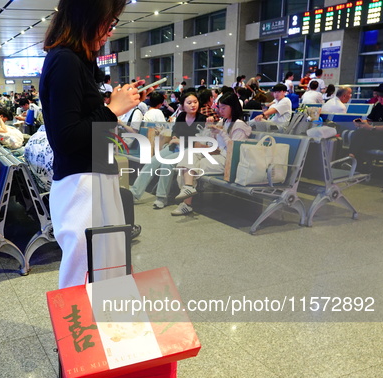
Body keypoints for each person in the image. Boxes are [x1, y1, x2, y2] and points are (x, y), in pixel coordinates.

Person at [40, 0, 154, 288]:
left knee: (106, 267)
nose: (109, 32)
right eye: (108, 22)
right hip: (82, 182)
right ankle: (81, 332)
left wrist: (112, 107)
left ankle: (101, 330)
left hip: (98, 174)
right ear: (86, 18)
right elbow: (65, 138)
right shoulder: (64, 60)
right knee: (85, 272)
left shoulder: (79, 61)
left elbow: (84, 124)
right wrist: (112, 109)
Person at [172, 93, 251, 216]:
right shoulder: (223, 121)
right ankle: (188, 188)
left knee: (187, 168)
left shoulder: (239, 125)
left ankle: (187, 203)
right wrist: (211, 132)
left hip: (227, 161)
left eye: (224, 108)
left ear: (233, 107)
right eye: (219, 107)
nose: (220, 111)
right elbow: (215, 142)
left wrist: (222, 133)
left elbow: (234, 150)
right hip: (217, 155)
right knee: (188, 154)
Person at [130, 91, 207, 209]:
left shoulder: (202, 119)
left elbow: (199, 142)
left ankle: (161, 198)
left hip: (188, 151)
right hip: (175, 146)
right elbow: (175, 130)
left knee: (167, 163)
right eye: (189, 103)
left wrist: (181, 141)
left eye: (195, 102)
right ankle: (135, 193)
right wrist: (175, 136)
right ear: (183, 105)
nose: (193, 105)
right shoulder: (181, 116)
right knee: (153, 161)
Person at [348, 82, 383, 176]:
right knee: (359, 133)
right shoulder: (379, 106)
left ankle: (353, 162)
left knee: (362, 140)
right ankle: (353, 159)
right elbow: (368, 120)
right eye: (378, 96)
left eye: (382, 96)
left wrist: (372, 128)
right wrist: (361, 123)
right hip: (373, 134)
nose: (379, 98)